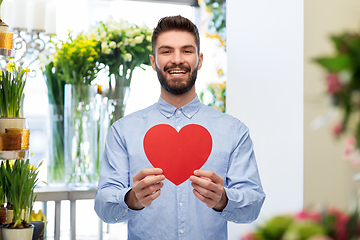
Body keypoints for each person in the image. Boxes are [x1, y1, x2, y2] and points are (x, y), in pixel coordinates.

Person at [94, 15, 265, 240]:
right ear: (153, 61)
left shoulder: (234, 131)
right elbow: (103, 207)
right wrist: (132, 199)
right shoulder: (123, 131)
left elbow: (252, 206)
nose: (177, 60)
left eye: (186, 51)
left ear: (199, 60)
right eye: (166, 51)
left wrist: (223, 199)